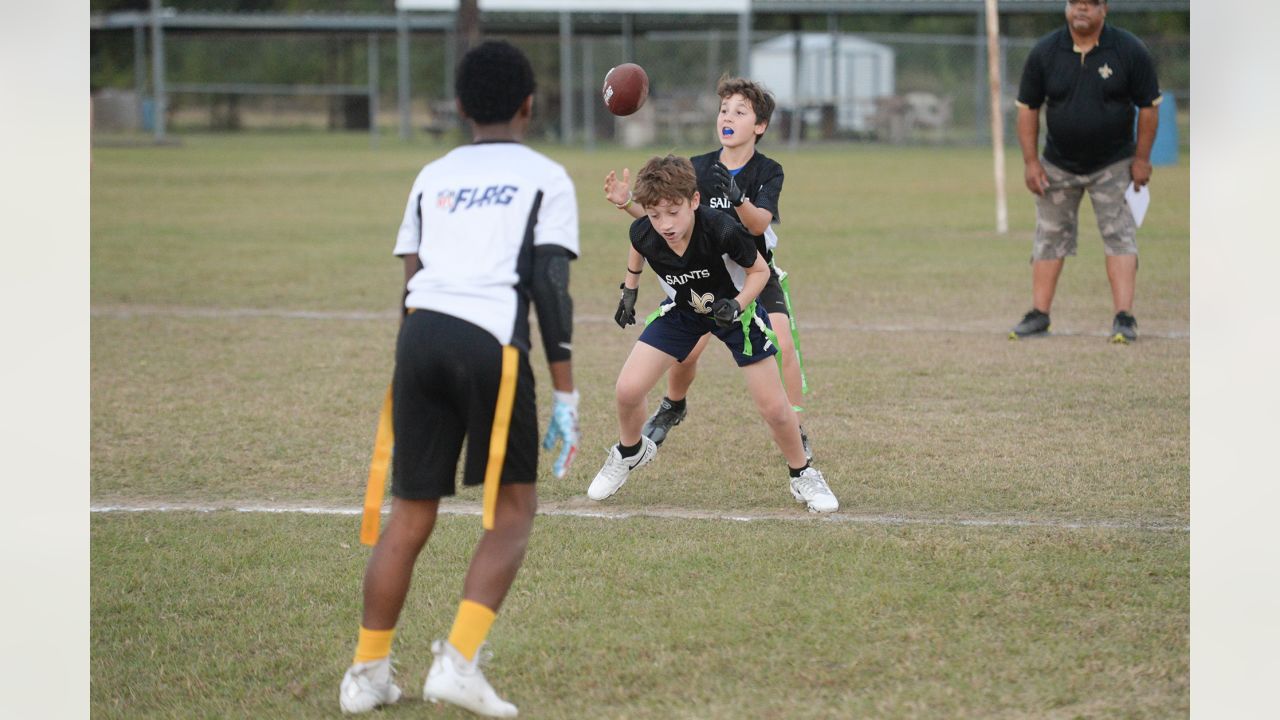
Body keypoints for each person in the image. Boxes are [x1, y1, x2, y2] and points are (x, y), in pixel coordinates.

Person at [339, 40, 581, 718]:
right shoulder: (546, 176)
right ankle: (459, 663)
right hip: (488, 342)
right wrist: (566, 391)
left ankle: (366, 675)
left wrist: (409, 360)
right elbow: (550, 289)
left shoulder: (431, 174)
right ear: (529, 106)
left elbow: (410, 277)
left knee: (411, 514)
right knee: (513, 513)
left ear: (460, 107)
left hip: (418, 335)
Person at [591, 154, 838, 513]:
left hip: (735, 315)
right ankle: (631, 451)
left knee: (774, 408)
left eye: (673, 212)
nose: (665, 224)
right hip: (684, 314)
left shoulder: (721, 228)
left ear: (694, 201)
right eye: (655, 214)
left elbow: (759, 273)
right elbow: (639, 245)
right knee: (627, 390)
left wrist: (737, 305)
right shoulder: (645, 230)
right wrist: (629, 289)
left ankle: (803, 474)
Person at [603, 77, 812, 456]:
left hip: (754, 274)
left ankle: (795, 425)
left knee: (781, 343)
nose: (727, 117)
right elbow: (660, 219)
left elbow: (758, 225)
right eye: (723, 110)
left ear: (759, 126)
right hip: (707, 278)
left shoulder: (767, 170)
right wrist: (625, 203)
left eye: (739, 111)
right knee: (686, 353)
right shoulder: (694, 168)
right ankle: (673, 405)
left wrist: (739, 198)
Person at [1009, 0, 1161, 343]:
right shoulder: (1046, 52)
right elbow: (1027, 109)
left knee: (1120, 236)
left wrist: (1142, 159)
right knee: (1049, 237)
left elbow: (1148, 108)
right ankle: (1039, 315)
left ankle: (1124, 318)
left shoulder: (1128, 50)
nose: (1081, 9)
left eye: (1089, 4)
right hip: (1057, 165)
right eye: (1074, 3)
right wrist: (1031, 162)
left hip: (1114, 164)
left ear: (1103, 9)